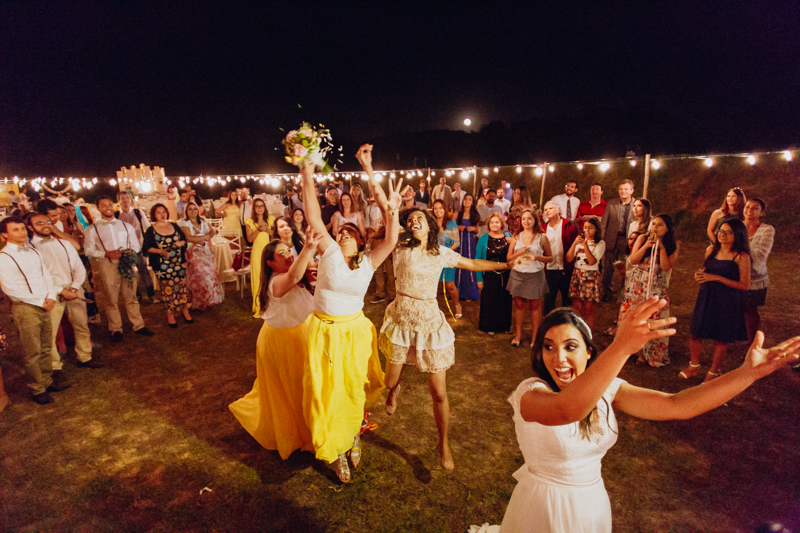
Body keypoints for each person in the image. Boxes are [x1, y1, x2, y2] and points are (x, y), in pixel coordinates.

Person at [500, 302, 800, 533]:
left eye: (570, 347)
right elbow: (567, 410)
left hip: (589, 505)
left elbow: (677, 404)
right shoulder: (530, 393)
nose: (559, 358)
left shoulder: (609, 390)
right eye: (548, 347)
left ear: (589, 353)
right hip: (543, 507)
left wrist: (747, 374)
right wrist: (621, 347)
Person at [380, 206, 529, 473]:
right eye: (410, 219)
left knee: (439, 392)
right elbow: (387, 222)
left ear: (430, 226)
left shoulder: (440, 252)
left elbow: (472, 264)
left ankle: (443, 443)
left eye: (420, 218)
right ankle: (394, 389)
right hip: (402, 320)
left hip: (429, 324)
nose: (414, 221)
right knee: (389, 381)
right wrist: (389, 206)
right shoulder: (398, 247)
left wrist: (505, 265)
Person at [300, 144, 402, 483]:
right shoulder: (328, 253)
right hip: (325, 334)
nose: (343, 233)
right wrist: (306, 172)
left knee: (353, 387)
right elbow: (314, 217)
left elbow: (392, 235)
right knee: (328, 391)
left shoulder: (369, 262)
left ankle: (354, 433)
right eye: (340, 231)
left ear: (360, 241)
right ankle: (336, 447)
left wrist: (370, 170)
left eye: (350, 232)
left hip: (355, 333)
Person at [229, 229, 322, 460]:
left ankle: (310, 427)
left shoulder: (296, 274)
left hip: (299, 334)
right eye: (282, 254)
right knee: (292, 389)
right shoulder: (276, 282)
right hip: (280, 341)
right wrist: (308, 248)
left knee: (304, 385)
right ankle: (298, 433)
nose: (288, 255)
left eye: (288, 251)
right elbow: (291, 278)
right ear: (270, 263)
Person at [28, 213, 102, 383]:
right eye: (39, 223)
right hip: (51, 294)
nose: (45, 225)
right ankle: (54, 367)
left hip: (73, 289)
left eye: (47, 222)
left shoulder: (63, 243)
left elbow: (78, 267)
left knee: (81, 325)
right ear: (31, 228)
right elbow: (37, 276)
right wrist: (61, 291)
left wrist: (74, 287)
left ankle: (85, 356)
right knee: (50, 332)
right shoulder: (31, 249)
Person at [0, 217, 65, 404]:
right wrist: (40, 301)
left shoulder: (33, 251)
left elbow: (46, 275)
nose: (22, 232)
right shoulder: (4, 257)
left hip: (45, 302)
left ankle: (47, 380)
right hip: (26, 307)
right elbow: (10, 289)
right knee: (32, 350)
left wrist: (51, 295)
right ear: (5, 235)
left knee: (46, 346)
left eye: (22, 228)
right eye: (15, 230)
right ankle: (37, 388)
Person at [681, 219, 751, 381]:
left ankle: (713, 372)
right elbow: (706, 271)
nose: (722, 235)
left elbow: (745, 285)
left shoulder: (741, 256)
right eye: (721, 231)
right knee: (695, 332)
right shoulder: (710, 250)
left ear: (737, 235)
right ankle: (694, 366)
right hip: (707, 296)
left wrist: (717, 278)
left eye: (728, 232)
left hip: (727, 300)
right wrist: (700, 275)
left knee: (721, 337)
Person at [84, 196, 154, 342]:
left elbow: (135, 245)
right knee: (111, 298)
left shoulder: (126, 226)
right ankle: (115, 328)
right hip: (107, 264)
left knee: (131, 296)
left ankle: (138, 325)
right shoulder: (92, 229)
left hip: (126, 263)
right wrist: (105, 254)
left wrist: (126, 254)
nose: (107, 208)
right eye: (103, 205)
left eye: (109, 204)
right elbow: (88, 250)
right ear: (98, 208)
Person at [617, 215, 678, 367]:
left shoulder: (672, 244)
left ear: (667, 228)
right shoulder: (642, 238)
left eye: (660, 225)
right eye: (653, 224)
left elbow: (666, 267)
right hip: (638, 284)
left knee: (652, 317)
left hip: (656, 285)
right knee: (634, 314)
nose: (655, 227)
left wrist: (661, 248)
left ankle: (646, 352)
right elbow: (633, 260)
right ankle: (630, 348)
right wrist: (646, 246)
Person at [507, 209, 552, 347]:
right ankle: (518, 335)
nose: (526, 221)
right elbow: (509, 257)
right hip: (518, 274)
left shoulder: (542, 237)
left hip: (535, 274)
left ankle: (535, 338)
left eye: (529, 219)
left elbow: (550, 258)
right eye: (524, 219)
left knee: (535, 305)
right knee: (519, 305)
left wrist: (537, 257)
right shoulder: (516, 236)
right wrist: (519, 252)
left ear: (535, 221)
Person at [142, 204, 191, 328]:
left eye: (163, 211)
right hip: (162, 265)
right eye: (158, 212)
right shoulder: (151, 230)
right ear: (154, 215)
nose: (162, 214)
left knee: (182, 287)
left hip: (178, 262)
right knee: (167, 290)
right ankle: (170, 314)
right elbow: (146, 248)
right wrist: (161, 251)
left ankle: (185, 310)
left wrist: (181, 243)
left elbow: (184, 240)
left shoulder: (174, 226)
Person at [178, 202, 224, 311]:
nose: (193, 211)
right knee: (199, 276)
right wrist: (202, 238)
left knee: (210, 274)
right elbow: (188, 237)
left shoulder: (203, 219)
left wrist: (205, 237)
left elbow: (212, 231)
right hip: (194, 253)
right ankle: (199, 301)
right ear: (186, 211)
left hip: (207, 251)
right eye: (190, 209)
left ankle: (210, 298)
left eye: (195, 209)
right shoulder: (184, 222)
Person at [115, 190, 157, 303]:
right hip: (124, 249)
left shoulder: (138, 212)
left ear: (131, 200)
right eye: (122, 198)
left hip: (138, 247)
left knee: (144, 271)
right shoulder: (116, 215)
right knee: (130, 273)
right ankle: (137, 295)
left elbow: (147, 227)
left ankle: (151, 295)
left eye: (127, 198)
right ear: (119, 201)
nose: (125, 201)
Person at [475, 212, 513, 335]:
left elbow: (515, 253)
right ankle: (489, 326)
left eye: (497, 222)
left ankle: (504, 326)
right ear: (488, 224)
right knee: (490, 301)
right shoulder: (483, 239)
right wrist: (479, 279)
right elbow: (477, 260)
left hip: (506, 275)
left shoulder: (509, 236)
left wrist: (513, 243)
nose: (494, 224)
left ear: (502, 224)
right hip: (489, 275)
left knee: (504, 301)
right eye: (492, 222)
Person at [566, 217, 606, 332]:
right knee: (576, 306)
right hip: (578, 274)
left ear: (596, 229)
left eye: (590, 228)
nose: (587, 231)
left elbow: (592, 261)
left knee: (589, 307)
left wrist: (585, 246)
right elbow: (569, 258)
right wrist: (574, 244)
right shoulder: (579, 242)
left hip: (590, 276)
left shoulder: (600, 243)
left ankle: (588, 333)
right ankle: (576, 331)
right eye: (585, 228)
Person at [742, 198, 774, 342]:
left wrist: (737, 248)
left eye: (755, 208)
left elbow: (760, 255)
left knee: (750, 310)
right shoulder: (736, 226)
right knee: (731, 308)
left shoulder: (767, 230)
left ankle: (751, 344)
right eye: (747, 206)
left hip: (755, 278)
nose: (749, 210)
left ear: (762, 213)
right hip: (734, 275)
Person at [599, 179, 635, 300]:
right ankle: (607, 292)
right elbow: (604, 223)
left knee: (627, 268)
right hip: (612, 240)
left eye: (626, 189)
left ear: (631, 191)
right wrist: (601, 240)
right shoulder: (612, 203)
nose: (623, 191)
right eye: (621, 189)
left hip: (628, 241)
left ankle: (624, 293)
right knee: (608, 268)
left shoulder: (636, 205)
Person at [542, 201, 579, 315]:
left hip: (565, 269)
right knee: (549, 299)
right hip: (549, 269)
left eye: (550, 208)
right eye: (545, 209)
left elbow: (576, 245)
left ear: (558, 210)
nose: (547, 211)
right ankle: (549, 321)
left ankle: (567, 321)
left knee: (567, 300)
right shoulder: (543, 228)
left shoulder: (569, 226)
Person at [432, 199, 462, 317]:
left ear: (445, 209)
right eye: (435, 208)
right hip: (434, 257)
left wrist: (445, 252)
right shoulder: (431, 223)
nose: (438, 211)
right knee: (433, 284)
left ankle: (457, 305)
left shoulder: (451, 223)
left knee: (449, 285)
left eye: (440, 208)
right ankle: (433, 309)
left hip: (448, 255)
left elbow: (456, 243)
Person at [454, 193, 480, 301]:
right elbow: (451, 228)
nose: (467, 201)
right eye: (465, 199)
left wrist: (473, 229)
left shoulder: (475, 215)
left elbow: (477, 230)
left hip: (470, 243)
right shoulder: (457, 214)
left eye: (469, 199)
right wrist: (457, 227)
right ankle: (457, 292)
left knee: (469, 264)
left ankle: (469, 293)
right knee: (458, 264)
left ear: (472, 203)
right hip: (459, 242)